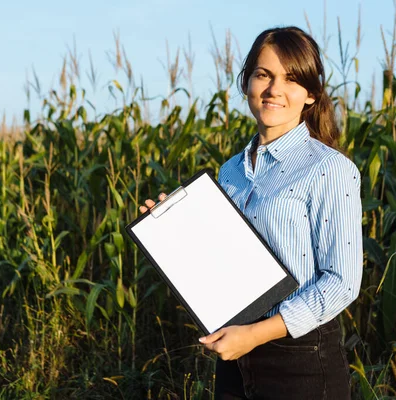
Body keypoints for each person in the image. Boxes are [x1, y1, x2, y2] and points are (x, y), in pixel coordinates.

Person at [140, 26, 363, 400]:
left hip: (301, 358)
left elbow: (341, 282)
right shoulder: (229, 172)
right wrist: (171, 231)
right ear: (247, 83)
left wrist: (256, 334)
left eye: (291, 79)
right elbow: (222, 263)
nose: (274, 89)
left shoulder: (328, 168)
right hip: (235, 352)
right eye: (264, 75)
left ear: (310, 95)